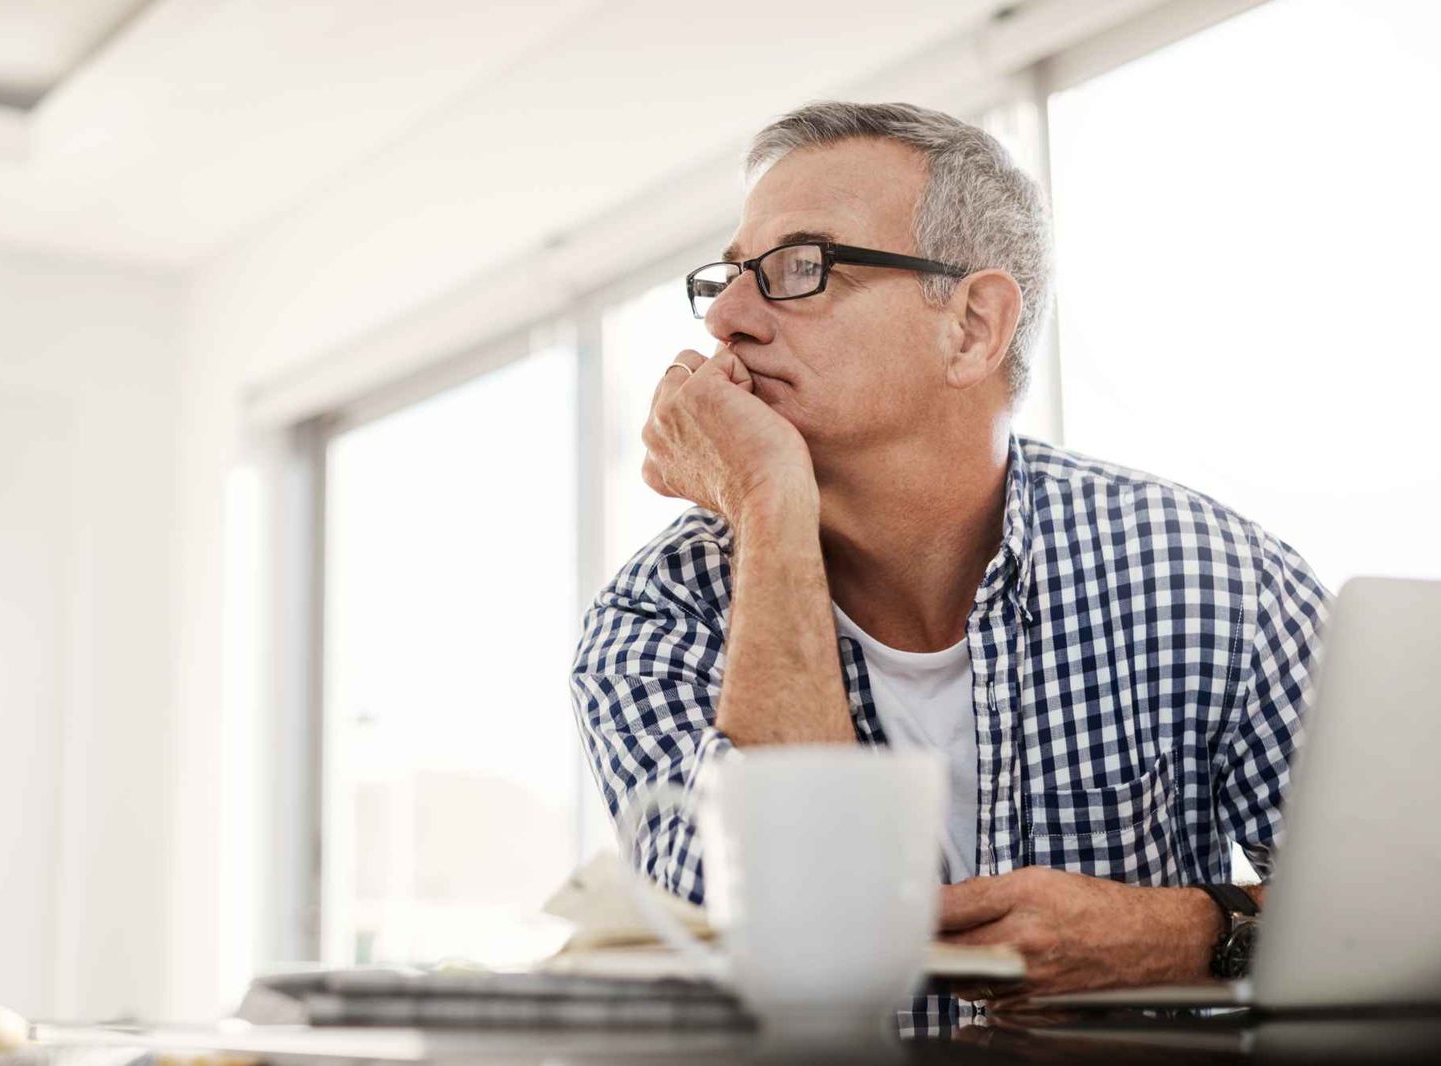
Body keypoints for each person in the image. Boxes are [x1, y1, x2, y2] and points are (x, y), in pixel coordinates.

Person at [569, 100, 1329, 1034]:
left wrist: (1197, 932)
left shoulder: (1213, 576)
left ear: (972, 326)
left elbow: (1416, 915)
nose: (725, 318)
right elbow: (797, 954)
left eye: (798, 266)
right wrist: (769, 502)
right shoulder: (654, 620)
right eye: (727, 277)